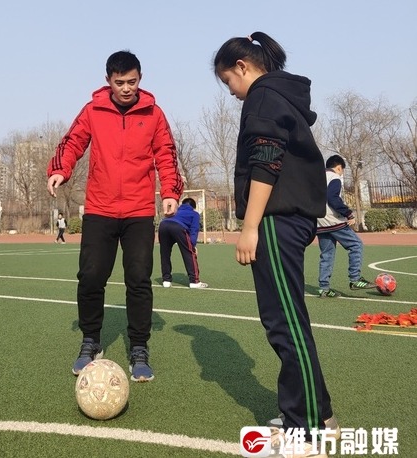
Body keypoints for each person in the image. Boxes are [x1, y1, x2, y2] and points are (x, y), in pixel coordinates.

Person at [213, 32, 338, 457]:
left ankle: (305, 431)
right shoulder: (283, 95)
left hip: (276, 220)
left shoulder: (263, 97)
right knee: (290, 321)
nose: (231, 91)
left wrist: (250, 226)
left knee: (283, 325)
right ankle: (320, 416)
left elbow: (266, 160)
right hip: (291, 219)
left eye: (228, 80)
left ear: (244, 67)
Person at [47, 50, 183, 382]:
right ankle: (90, 341)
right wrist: (61, 169)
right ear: (108, 80)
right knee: (91, 277)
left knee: (139, 281)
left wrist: (169, 192)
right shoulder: (93, 110)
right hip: (100, 209)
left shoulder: (153, 113)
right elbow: (74, 140)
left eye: (132, 82)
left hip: (137, 211)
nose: (126, 88)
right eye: (120, 82)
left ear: (140, 78)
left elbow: (165, 152)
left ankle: (139, 348)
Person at [316, 155, 375, 297]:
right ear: (338, 167)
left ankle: (324, 288)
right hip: (334, 220)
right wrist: (348, 213)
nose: (341, 173)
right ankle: (355, 278)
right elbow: (333, 198)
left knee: (327, 255)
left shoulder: (317, 178)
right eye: (342, 170)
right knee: (356, 245)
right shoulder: (334, 177)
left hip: (319, 222)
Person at [158, 197, 207, 289]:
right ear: (193, 207)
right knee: (188, 254)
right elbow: (194, 230)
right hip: (178, 227)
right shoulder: (194, 214)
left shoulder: (175, 210)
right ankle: (194, 281)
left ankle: (166, 280)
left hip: (163, 225)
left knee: (165, 254)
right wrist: (192, 246)